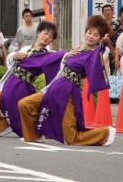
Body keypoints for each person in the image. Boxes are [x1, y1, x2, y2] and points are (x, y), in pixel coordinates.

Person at [17, 15, 115, 146]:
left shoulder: (94, 54)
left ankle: (105, 134)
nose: (91, 36)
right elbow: (57, 60)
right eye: (89, 32)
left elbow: (99, 58)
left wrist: (103, 45)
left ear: (100, 38)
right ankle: (34, 136)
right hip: (55, 87)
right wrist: (65, 55)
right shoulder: (77, 49)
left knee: (70, 137)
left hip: (68, 92)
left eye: (96, 35)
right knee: (25, 104)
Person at [0, 21, 63, 137]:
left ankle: (41, 130)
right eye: (45, 33)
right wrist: (14, 56)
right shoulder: (26, 49)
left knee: (25, 117)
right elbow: (9, 61)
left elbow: (61, 58)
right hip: (7, 86)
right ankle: (1, 128)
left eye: (51, 37)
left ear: (52, 41)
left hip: (23, 89)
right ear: (39, 33)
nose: (47, 37)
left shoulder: (48, 55)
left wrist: (72, 53)